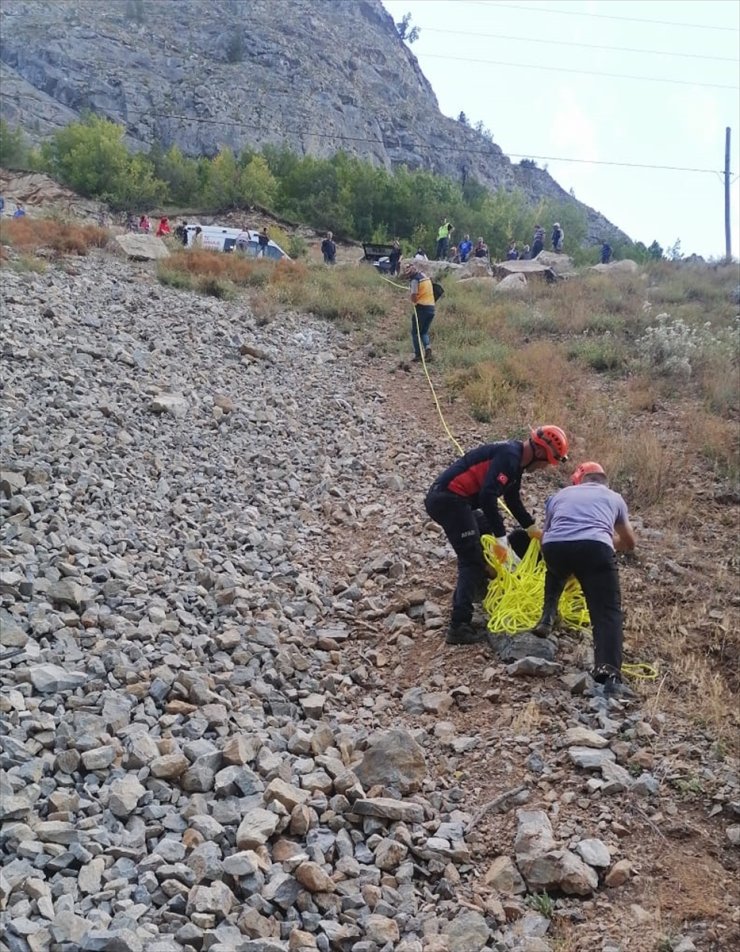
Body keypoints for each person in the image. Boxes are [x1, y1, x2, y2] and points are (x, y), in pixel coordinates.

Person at [425, 426, 570, 645]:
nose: (543, 468)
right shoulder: (510, 457)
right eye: (547, 462)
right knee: (471, 559)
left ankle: (480, 588)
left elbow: (512, 500)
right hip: (449, 499)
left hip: (458, 501)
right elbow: (487, 497)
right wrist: (502, 538)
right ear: (540, 453)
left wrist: (533, 529)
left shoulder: (516, 461)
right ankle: (459, 626)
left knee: (484, 531)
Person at [533, 461, 636, 698]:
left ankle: (547, 617)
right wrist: (607, 545)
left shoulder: (559, 495)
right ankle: (607, 670)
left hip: (555, 547)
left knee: (556, 571)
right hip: (596, 547)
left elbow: (547, 535)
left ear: (579, 479)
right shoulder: (614, 497)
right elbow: (630, 542)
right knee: (607, 611)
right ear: (603, 480)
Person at [404, 261, 436, 364]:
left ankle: (418, 355)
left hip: (422, 308)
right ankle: (428, 349)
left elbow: (414, 295)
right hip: (431, 308)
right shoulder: (423, 275)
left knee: (415, 332)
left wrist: (413, 301)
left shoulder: (414, 280)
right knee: (424, 332)